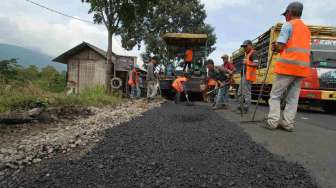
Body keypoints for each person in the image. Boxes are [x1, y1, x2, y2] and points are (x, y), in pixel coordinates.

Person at [265, 2, 311, 132]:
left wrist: (275, 46)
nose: (285, 16)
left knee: (275, 95)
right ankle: (287, 124)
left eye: (285, 14)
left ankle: (273, 122)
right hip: (301, 69)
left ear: (290, 12)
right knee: (292, 98)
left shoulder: (288, 25)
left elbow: (280, 46)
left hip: (288, 67)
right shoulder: (306, 30)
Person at [238, 40, 259, 113]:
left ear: (250, 45)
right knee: (240, 92)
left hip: (248, 76)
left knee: (246, 92)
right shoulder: (247, 54)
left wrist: (247, 63)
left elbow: (256, 64)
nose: (244, 48)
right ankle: (240, 106)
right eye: (243, 47)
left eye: (245, 46)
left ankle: (246, 108)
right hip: (244, 75)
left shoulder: (254, 53)